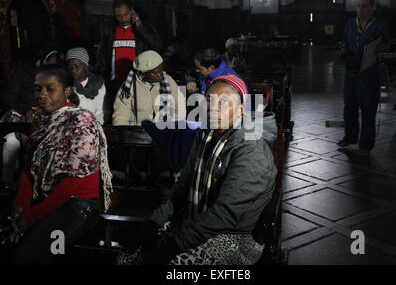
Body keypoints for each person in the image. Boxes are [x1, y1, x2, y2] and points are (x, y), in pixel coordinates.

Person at [117, 74, 277, 265]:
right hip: (197, 219)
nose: (214, 108)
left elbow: (225, 214)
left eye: (224, 103)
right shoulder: (206, 133)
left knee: (171, 264)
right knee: (129, 256)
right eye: (209, 101)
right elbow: (183, 187)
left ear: (241, 110)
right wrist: (153, 223)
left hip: (234, 237)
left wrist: (174, 245)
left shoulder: (251, 152)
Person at [0, 64, 112, 264]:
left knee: (27, 257)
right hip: (44, 198)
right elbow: (29, 169)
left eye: (49, 89)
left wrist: (30, 218)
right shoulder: (42, 121)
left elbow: (72, 185)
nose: (42, 94)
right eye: (38, 89)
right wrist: (19, 207)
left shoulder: (81, 122)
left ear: (67, 90)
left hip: (77, 205)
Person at [0, 48, 60, 189]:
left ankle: (43, 184)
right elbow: (8, 100)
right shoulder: (23, 73)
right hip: (24, 120)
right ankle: (7, 183)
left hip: (47, 121)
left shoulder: (55, 76)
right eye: (52, 60)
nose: (54, 63)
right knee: (11, 142)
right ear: (44, 60)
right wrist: (26, 110)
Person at [338, 0, 390, 156]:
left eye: (364, 6)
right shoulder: (350, 23)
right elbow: (345, 41)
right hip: (351, 71)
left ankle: (366, 144)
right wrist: (343, 49)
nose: (360, 9)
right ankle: (350, 136)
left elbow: (387, 44)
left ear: (372, 8)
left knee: (368, 108)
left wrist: (378, 49)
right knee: (350, 106)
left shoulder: (379, 25)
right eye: (358, 6)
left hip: (368, 73)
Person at [97, 0, 163, 124]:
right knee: (116, 115)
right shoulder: (110, 30)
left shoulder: (142, 28)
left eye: (125, 14)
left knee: (137, 115)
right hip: (114, 81)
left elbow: (157, 46)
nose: (122, 18)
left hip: (136, 81)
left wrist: (139, 26)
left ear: (131, 11)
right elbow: (102, 57)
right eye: (119, 16)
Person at [112, 50, 185, 126]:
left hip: (164, 131)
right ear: (143, 73)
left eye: (161, 70)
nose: (160, 75)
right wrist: (124, 134)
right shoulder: (129, 86)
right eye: (155, 73)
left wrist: (173, 129)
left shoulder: (168, 81)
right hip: (138, 132)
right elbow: (120, 115)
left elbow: (179, 107)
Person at [66, 47, 106, 124]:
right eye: (70, 67)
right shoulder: (65, 85)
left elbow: (99, 113)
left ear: (86, 66)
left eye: (76, 66)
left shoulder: (98, 83)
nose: (73, 70)